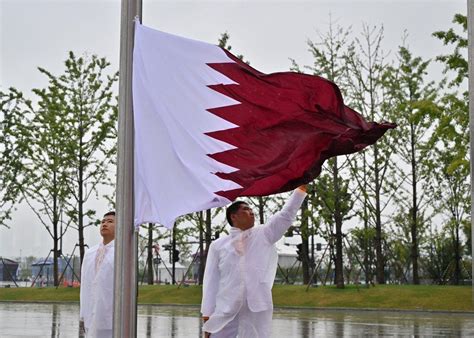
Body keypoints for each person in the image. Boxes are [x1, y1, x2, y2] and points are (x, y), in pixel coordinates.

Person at [201, 186, 307, 338]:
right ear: (233, 216)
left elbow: (286, 215)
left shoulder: (264, 234)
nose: (251, 212)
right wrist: (207, 314)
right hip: (226, 308)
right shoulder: (218, 246)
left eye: (251, 209)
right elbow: (211, 281)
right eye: (245, 209)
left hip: (256, 308)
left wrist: (300, 190)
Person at [80, 211, 116, 338]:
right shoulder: (90, 253)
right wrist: (83, 314)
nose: (105, 224)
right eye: (103, 222)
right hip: (91, 313)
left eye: (110, 222)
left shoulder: (121, 252)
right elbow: (84, 284)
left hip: (111, 315)